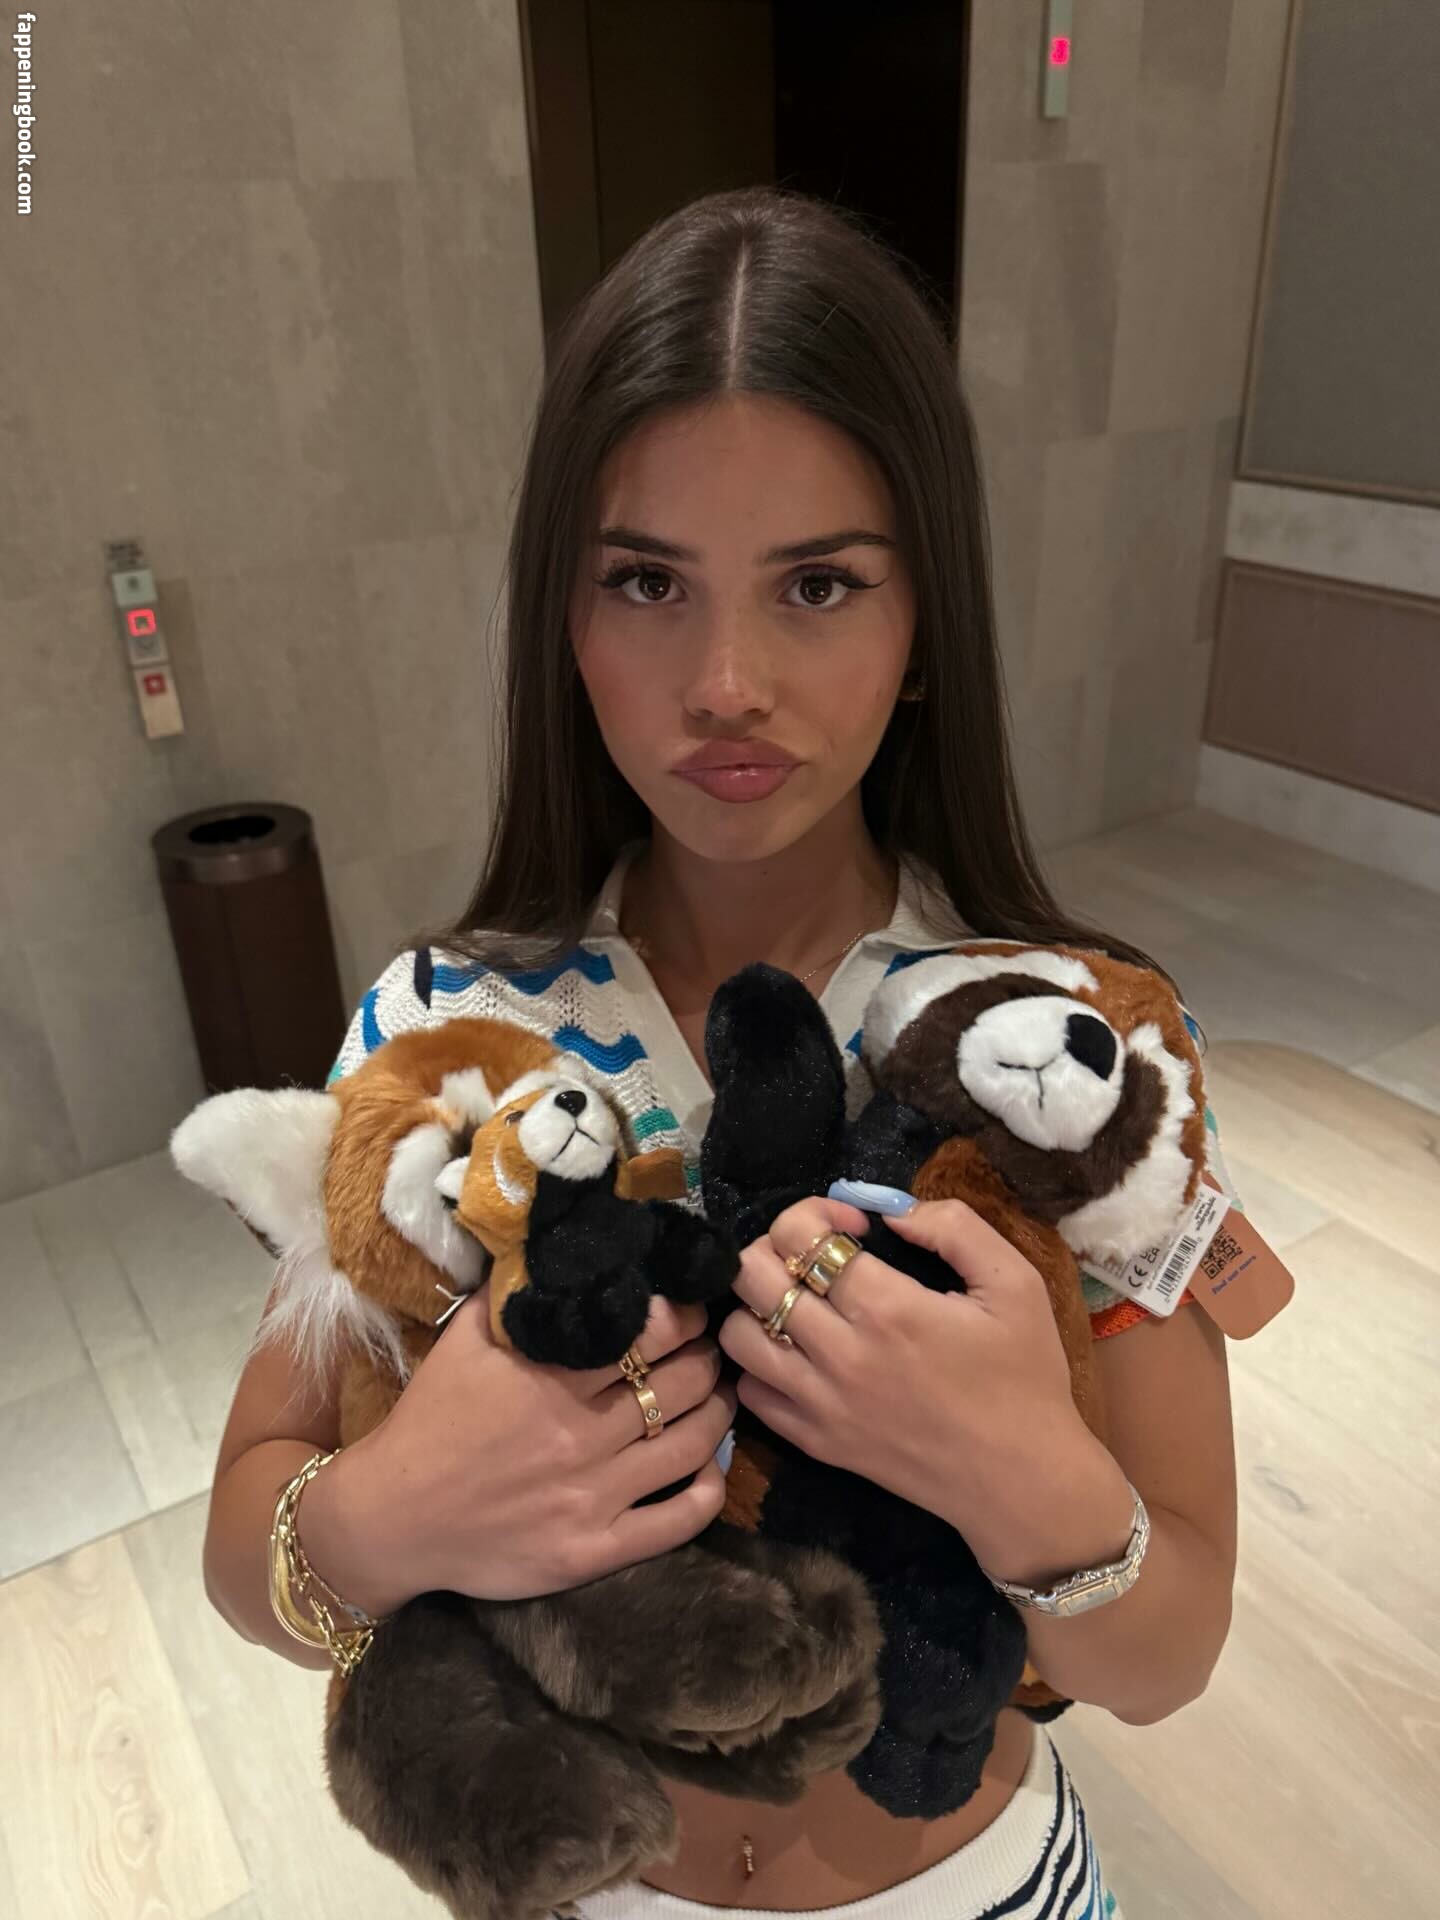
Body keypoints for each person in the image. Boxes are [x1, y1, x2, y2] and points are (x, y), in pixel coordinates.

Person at [203, 186, 1238, 1919]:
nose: (729, 681)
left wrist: (1028, 1479)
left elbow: (1171, 1658)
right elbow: (250, 1553)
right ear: (564, 616)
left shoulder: (1075, 1049)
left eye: (819, 583)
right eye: (646, 583)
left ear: (926, 624)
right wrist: (395, 1515)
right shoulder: (437, 1038)